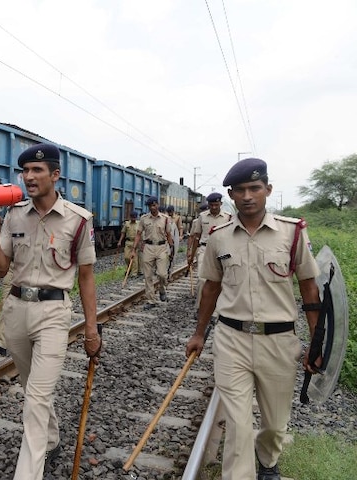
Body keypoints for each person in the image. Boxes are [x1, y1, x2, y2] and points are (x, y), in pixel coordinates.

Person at [185, 158, 321, 480]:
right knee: (238, 425)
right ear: (231, 194)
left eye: (255, 188)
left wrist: (317, 342)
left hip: (279, 342)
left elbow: (309, 286)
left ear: (268, 190)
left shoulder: (291, 232)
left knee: (275, 424)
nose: (248, 196)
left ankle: (268, 461)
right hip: (232, 339)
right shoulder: (218, 237)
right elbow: (211, 288)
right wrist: (199, 333)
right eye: (241, 190)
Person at [0, 143, 101, 480]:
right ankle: (51, 438)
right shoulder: (14, 214)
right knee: (30, 386)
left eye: (37, 171)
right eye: (25, 171)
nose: (29, 177)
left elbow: (87, 277)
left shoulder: (78, 220)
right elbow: (1, 270)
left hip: (53, 313)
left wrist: (91, 330)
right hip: (16, 310)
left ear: (55, 175)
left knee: (35, 398)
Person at [187, 192, 232, 305]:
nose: (214, 207)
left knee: (221, 280)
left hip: (222, 251)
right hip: (204, 250)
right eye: (211, 205)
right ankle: (200, 307)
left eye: (216, 205)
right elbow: (196, 237)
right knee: (202, 279)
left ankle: (216, 309)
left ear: (220, 203)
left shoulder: (228, 217)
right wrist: (191, 256)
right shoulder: (202, 217)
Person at [130, 196, 173, 309]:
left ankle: (162, 289)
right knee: (147, 275)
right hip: (148, 247)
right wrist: (134, 249)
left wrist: (172, 248)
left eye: (154, 205)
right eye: (150, 206)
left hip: (161, 247)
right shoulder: (144, 219)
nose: (152, 208)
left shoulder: (165, 218)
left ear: (158, 205)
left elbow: (169, 234)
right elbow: (138, 234)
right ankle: (151, 300)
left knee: (162, 274)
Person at [117, 211, 141, 278]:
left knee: (134, 258)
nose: (133, 218)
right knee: (127, 257)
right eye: (132, 217)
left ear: (136, 217)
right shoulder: (126, 224)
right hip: (128, 242)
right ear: (130, 217)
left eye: (135, 217)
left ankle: (134, 273)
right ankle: (129, 268)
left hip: (136, 242)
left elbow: (140, 234)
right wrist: (120, 241)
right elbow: (123, 233)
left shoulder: (139, 224)